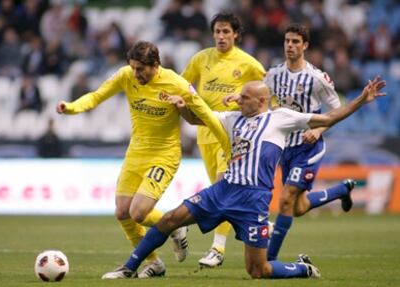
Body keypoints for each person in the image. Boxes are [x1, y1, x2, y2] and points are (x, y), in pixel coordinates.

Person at [104, 77, 386, 280]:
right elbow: (196, 119)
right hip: (223, 189)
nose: (238, 100)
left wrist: (362, 99)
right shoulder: (230, 118)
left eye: (244, 97)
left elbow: (327, 118)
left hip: (254, 200)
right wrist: (182, 107)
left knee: (258, 271)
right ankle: (129, 267)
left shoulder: (281, 118)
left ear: (261, 101)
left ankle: (303, 268)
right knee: (169, 220)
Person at [56, 41, 230, 279]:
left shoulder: (177, 84)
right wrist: (71, 107)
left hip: (164, 155)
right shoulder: (126, 75)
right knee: (121, 213)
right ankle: (155, 263)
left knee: (138, 213)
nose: (135, 74)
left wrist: (228, 148)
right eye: (133, 67)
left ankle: (174, 225)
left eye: (141, 69)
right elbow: (97, 96)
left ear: (155, 65)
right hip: (136, 153)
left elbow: (208, 117)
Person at [263, 23, 356, 261]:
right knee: (298, 207)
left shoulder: (317, 78)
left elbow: (337, 110)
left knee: (285, 201)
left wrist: (319, 129)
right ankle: (341, 189)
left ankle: (270, 261)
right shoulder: (273, 75)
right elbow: (263, 102)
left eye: (295, 42)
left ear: (305, 45)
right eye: (287, 41)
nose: (290, 46)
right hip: (286, 147)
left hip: (309, 146)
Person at [181, 12, 266, 268]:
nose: (220, 36)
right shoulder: (200, 59)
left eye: (226, 32)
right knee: (219, 194)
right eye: (217, 31)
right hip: (205, 134)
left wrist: (241, 98)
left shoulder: (248, 63)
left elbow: (265, 95)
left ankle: (217, 248)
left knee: (224, 188)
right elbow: (182, 86)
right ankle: (183, 224)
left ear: (236, 34)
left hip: (233, 134)